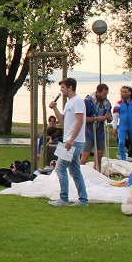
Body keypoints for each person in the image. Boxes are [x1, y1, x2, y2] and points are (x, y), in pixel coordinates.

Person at [48, 77, 88, 207]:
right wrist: (55, 108)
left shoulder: (78, 101)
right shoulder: (68, 102)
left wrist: (71, 139)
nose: (61, 90)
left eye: (63, 87)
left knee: (60, 168)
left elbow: (80, 121)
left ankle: (64, 198)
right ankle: (83, 199)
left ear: (70, 87)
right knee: (75, 170)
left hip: (74, 141)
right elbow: (63, 120)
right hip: (69, 140)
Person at [81, 83, 112, 171]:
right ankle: (77, 175)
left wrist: (109, 118)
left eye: (106, 94)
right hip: (88, 130)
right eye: (104, 94)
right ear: (98, 92)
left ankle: (96, 174)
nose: (105, 96)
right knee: (85, 155)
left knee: (99, 156)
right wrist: (95, 118)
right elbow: (82, 118)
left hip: (101, 130)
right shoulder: (87, 101)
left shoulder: (106, 103)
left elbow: (110, 118)